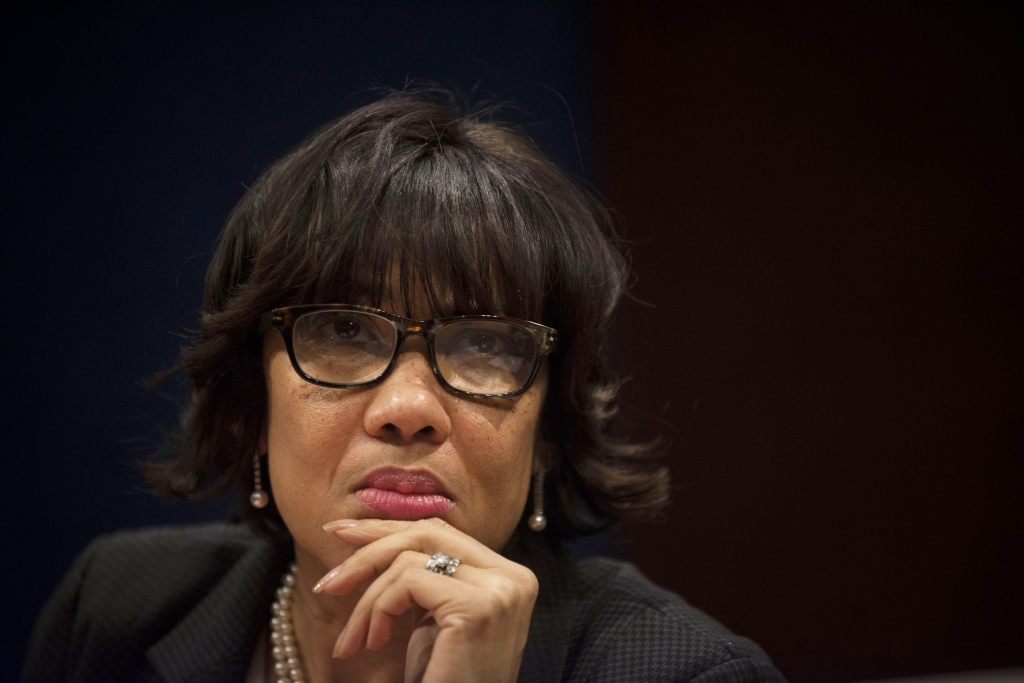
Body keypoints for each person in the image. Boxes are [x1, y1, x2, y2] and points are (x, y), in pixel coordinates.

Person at [23, 90, 785, 683]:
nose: (408, 410)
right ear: (251, 401)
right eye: (345, 332)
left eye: (485, 344)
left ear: (548, 426)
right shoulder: (114, 608)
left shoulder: (685, 671)